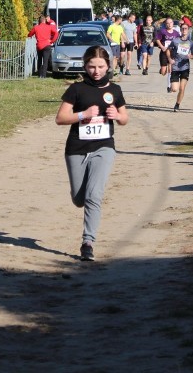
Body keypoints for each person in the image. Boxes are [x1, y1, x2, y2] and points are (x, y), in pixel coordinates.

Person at [55, 45, 128, 262]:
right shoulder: (76, 89)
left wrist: (117, 115)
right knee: (79, 199)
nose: (96, 71)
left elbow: (125, 119)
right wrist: (82, 115)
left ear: (109, 66)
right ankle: (81, 202)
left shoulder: (114, 90)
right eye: (91, 66)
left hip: (104, 147)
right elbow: (60, 118)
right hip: (76, 148)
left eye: (101, 66)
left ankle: (88, 242)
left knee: (94, 195)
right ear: (85, 66)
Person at [170, 23, 193, 111]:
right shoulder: (175, 41)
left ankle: (177, 104)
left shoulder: (191, 43)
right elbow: (168, 50)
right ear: (180, 30)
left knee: (182, 88)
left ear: (188, 30)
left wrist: (190, 56)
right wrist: (170, 59)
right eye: (183, 29)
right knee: (174, 89)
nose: (184, 30)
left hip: (185, 67)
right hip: (175, 67)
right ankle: (172, 86)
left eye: (186, 29)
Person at [155, 17, 180, 89]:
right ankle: (162, 69)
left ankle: (169, 86)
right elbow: (157, 39)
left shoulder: (176, 33)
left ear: (173, 23)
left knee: (170, 70)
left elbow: (179, 42)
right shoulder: (163, 31)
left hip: (172, 53)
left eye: (171, 23)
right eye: (168, 23)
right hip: (164, 52)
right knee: (163, 72)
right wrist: (162, 47)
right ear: (166, 24)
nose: (169, 24)